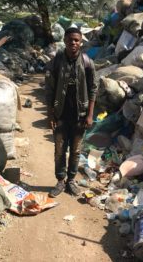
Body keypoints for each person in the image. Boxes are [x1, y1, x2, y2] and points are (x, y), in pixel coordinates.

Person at [45, 27, 98, 197]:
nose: (73, 43)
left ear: (81, 42)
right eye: (70, 40)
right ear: (65, 41)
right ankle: (60, 181)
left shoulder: (87, 61)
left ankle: (71, 181)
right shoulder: (57, 61)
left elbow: (93, 89)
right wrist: (51, 113)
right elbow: (50, 89)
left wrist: (90, 114)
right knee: (60, 150)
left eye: (76, 40)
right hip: (61, 113)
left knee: (75, 150)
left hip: (80, 115)